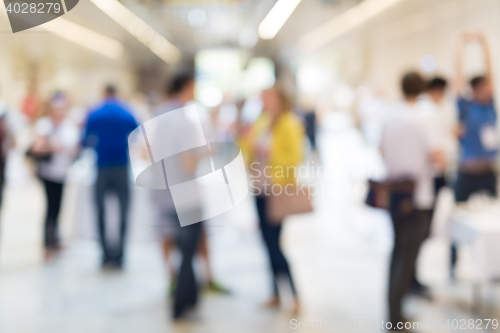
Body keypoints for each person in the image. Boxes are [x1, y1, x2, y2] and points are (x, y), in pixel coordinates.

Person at [380, 72, 441, 329]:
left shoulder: (390, 117)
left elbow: (380, 149)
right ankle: (396, 318)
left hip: (394, 191)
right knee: (408, 255)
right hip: (418, 195)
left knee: (397, 251)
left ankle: (393, 310)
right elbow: (438, 157)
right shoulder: (423, 118)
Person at [240, 84, 304, 313]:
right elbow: (248, 150)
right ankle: (276, 293)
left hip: (277, 191)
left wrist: (271, 154)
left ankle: (295, 294)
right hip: (260, 188)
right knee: (266, 243)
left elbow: (295, 157)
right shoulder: (262, 122)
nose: (264, 101)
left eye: (268, 97)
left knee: (275, 244)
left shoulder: (289, 123)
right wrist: (246, 141)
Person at [451, 32, 497, 276]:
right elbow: (458, 77)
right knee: (457, 220)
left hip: (487, 172)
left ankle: (492, 267)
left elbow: (491, 70)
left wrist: (484, 43)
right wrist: (460, 45)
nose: (491, 88)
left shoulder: (490, 106)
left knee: (492, 220)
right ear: (477, 88)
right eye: (487, 86)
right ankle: (453, 264)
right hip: (467, 173)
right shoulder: (466, 106)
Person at [83, 85, 138, 269]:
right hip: (122, 165)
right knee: (124, 210)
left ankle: (105, 254)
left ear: (104, 93)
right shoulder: (127, 112)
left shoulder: (95, 112)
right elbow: (137, 134)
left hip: (102, 166)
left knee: (100, 210)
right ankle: (120, 254)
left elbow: (85, 140)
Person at [30, 92, 79, 259]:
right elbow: (36, 147)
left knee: (58, 206)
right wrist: (53, 146)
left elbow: (74, 147)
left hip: (62, 171)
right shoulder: (45, 124)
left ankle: (56, 238)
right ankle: (48, 243)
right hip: (48, 172)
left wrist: (69, 150)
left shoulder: (68, 125)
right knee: (51, 206)